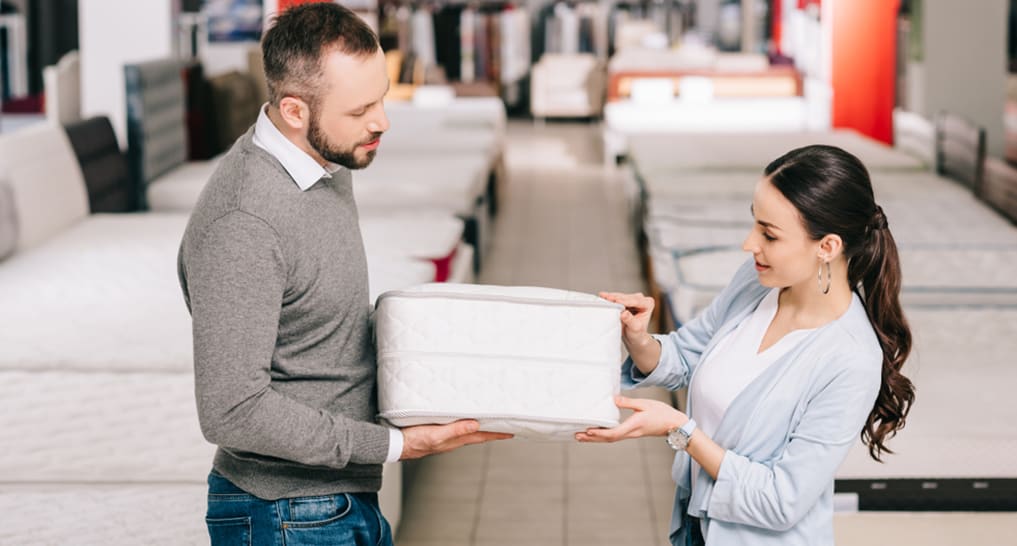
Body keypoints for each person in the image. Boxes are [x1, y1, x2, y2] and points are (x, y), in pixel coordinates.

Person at [177, 4, 510, 545]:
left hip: (338, 499)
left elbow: (323, 327)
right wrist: (398, 446)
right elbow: (232, 412)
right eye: (361, 110)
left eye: (381, 97)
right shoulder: (243, 223)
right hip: (284, 512)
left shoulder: (325, 165)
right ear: (294, 111)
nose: (381, 120)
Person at [579, 145, 915, 545]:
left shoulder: (850, 360)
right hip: (697, 527)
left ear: (827, 246)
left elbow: (781, 500)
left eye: (769, 234)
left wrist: (680, 430)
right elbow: (688, 355)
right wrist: (639, 338)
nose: (749, 244)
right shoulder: (756, 282)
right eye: (754, 224)